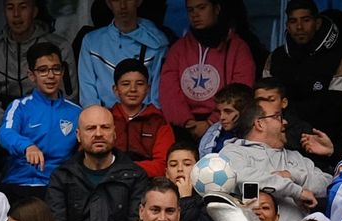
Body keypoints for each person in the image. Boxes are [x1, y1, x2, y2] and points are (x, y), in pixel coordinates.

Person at [46, 105, 150, 221]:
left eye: (105, 127)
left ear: (114, 133)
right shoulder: (62, 176)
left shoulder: (136, 176)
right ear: (78, 135)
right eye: (90, 128)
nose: (99, 133)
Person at [219, 104, 332, 221]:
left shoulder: (296, 156)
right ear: (259, 124)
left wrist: (293, 176)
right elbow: (243, 177)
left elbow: (328, 184)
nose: (285, 122)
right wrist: (297, 191)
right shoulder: (233, 151)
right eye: (277, 117)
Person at [0, 42, 83, 201]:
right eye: (43, 70)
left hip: (58, 187)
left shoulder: (77, 112)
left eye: (56, 69)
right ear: (31, 75)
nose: (51, 76)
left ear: (63, 72)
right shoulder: (20, 107)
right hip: (19, 184)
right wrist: (27, 146)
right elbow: (5, 132)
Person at [159, 0, 255, 137]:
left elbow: (241, 91)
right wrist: (187, 122)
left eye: (201, 8)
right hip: (184, 129)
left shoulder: (238, 48)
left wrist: (211, 123)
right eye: (190, 10)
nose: (195, 14)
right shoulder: (178, 49)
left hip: (226, 126)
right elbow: (168, 91)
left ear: (216, 9)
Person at [0, 0, 77, 128]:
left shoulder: (59, 47)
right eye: (10, 8)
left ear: (34, 11)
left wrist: (37, 126)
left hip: (49, 124)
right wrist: (9, 126)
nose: (16, 14)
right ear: (4, 12)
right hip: (3, 124)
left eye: (23, 7)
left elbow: (68, 97)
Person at [260, 0, 342, 135]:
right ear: (287, 25)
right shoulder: (274, 58)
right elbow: (264, 102)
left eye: (306, 20)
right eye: (293, 21)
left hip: (321, 137)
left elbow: (338, 110)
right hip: (280, 135)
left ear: (317, 23)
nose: (299, 27)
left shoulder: (339, 61)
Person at [77, 0, 168, 108]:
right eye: (116, 0)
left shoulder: (158, 43)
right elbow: (88, 94)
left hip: (144, 119)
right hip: (103, 119)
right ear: (108, 3)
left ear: (138, 2)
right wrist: (99, 118)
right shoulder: (91, 41)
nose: (123, 5)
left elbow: (157, 97)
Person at [108, 59, 174, 178]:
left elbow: (163, 165)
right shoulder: (105, 119)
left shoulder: (158, 121)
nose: (133, 89)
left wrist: (124, 169)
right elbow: (91, 158)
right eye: (125, 84)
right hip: (109, 182)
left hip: (148, 184)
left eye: (139, 84)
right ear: (116, 90)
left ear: (148, 89)